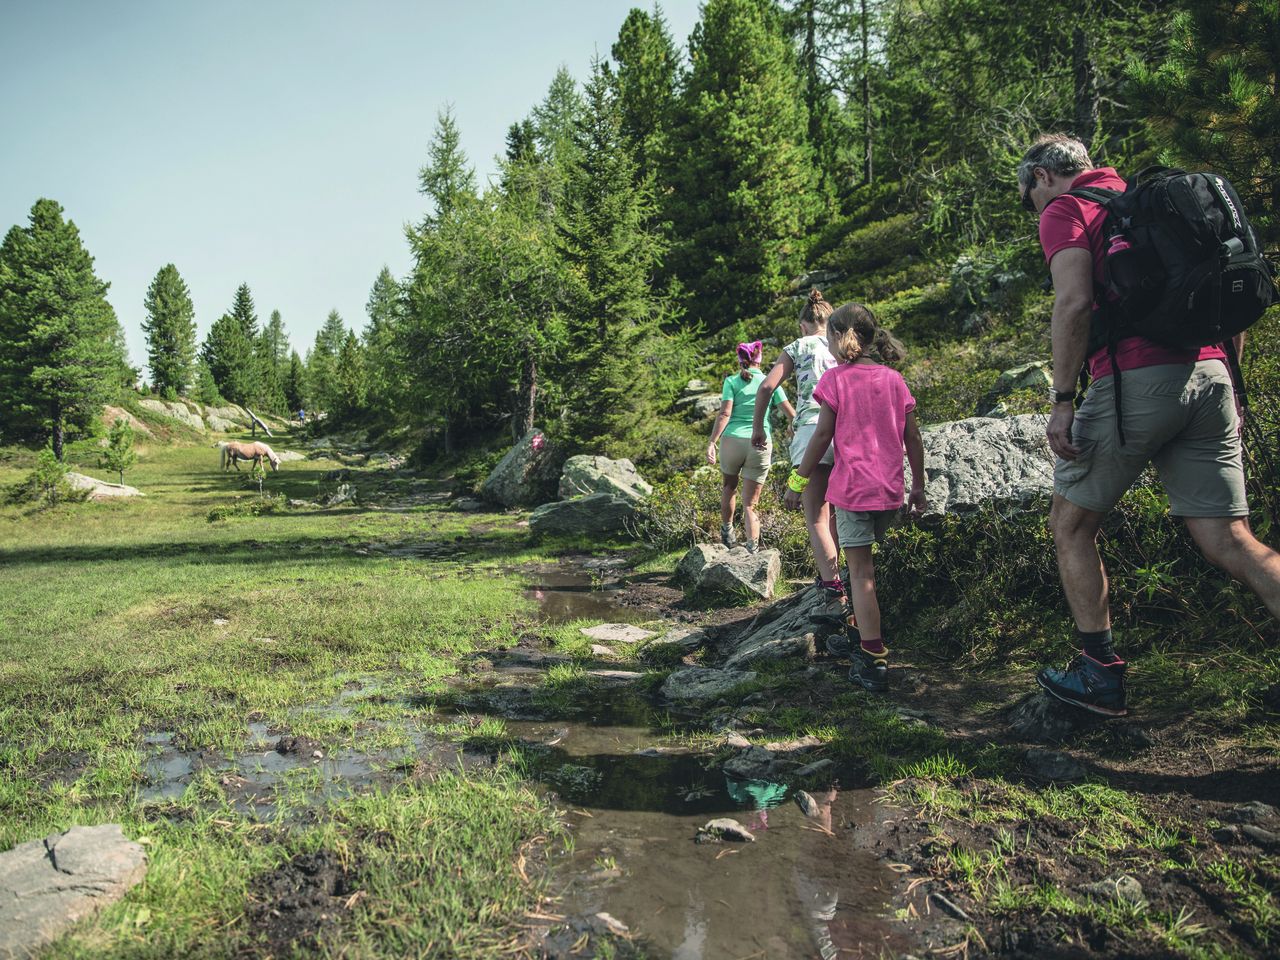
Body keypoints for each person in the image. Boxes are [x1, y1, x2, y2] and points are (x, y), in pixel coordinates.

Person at [1018, 133, 1280, 716]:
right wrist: (1230, 382)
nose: (1033, 209)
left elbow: (1074, 303)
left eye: (1027, 196)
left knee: (1071, 525)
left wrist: (1064, 399)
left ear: (1041, 177)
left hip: (1135, 380)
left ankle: (1100, 677)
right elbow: (1225, 291)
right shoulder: (1151, 201)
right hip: (1211, 373)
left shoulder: (1068, 210)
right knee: (1229, 538)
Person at [786, 304, 925, 692]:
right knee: (869, 573)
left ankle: (873, 657)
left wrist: (798, 483)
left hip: (853, 491)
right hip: (891, 491)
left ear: (838, 336)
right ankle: (858, 633)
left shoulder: (834, 381)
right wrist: (919, 487)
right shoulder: (894, 379)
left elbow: (821, 437)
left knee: (861, 577)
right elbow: (912, 437)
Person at [750, 290, 843, 615]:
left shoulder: (797, 347)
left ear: (803, 325)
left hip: (809, 433)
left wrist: (759, 427)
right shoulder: (840, 348)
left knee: (815, 516)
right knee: (835, 513)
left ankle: (833, 590)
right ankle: (840, 576)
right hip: (844, 432)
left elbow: (766, 387)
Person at [707, 340, 795, 553]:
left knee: (729, 487)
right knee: (751, 503)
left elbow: (725, 413)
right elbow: (791, 413)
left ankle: (727, 531)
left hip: (732, 440)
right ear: (760, 358)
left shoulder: (731, 381)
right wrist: (793, 428)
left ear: (740, 360)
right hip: (760, 443)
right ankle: (752, 547)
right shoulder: (769, 381)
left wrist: (712, 441)